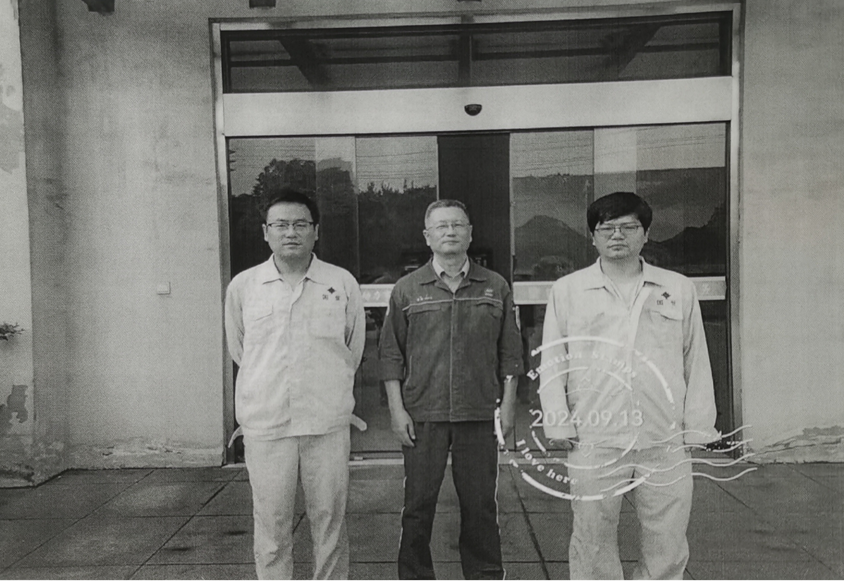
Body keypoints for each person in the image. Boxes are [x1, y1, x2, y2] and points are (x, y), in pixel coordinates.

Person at [539, 191, 720, 581]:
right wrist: (558, 421)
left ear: (646, 233)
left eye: (628, 227)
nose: (617, 235)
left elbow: (696, 358)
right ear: (593, 236)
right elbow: (554, 360)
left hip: (664, 434)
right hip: (594, 433)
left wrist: (698, 426)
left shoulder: (676, 288)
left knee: (668, 537)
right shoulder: (568, 290)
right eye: (607, 228)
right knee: (592, 535)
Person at [224, 187, 365, 581]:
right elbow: (241, 351)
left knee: (330, 523)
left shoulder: (340, 283)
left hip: (326, 424)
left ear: (315, 231)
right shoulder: (244, 287)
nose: (291, 232)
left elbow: (352, 350)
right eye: (281, 225)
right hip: (267, 425)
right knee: (271, 526)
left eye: (301, 224)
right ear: (265, 232)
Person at [379, 199, 524, 581]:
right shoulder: (407, 289)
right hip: (422, 414)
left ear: (470, 234)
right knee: (417, 506)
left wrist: (509, 406)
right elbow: (391, 355)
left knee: (480, 506)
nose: (450, 231)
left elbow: (510, 354)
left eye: (457, 224)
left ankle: (485, 576)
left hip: (478, 413)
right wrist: (396, 410)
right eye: (441, 226)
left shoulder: (495, 286)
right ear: (427, 237)